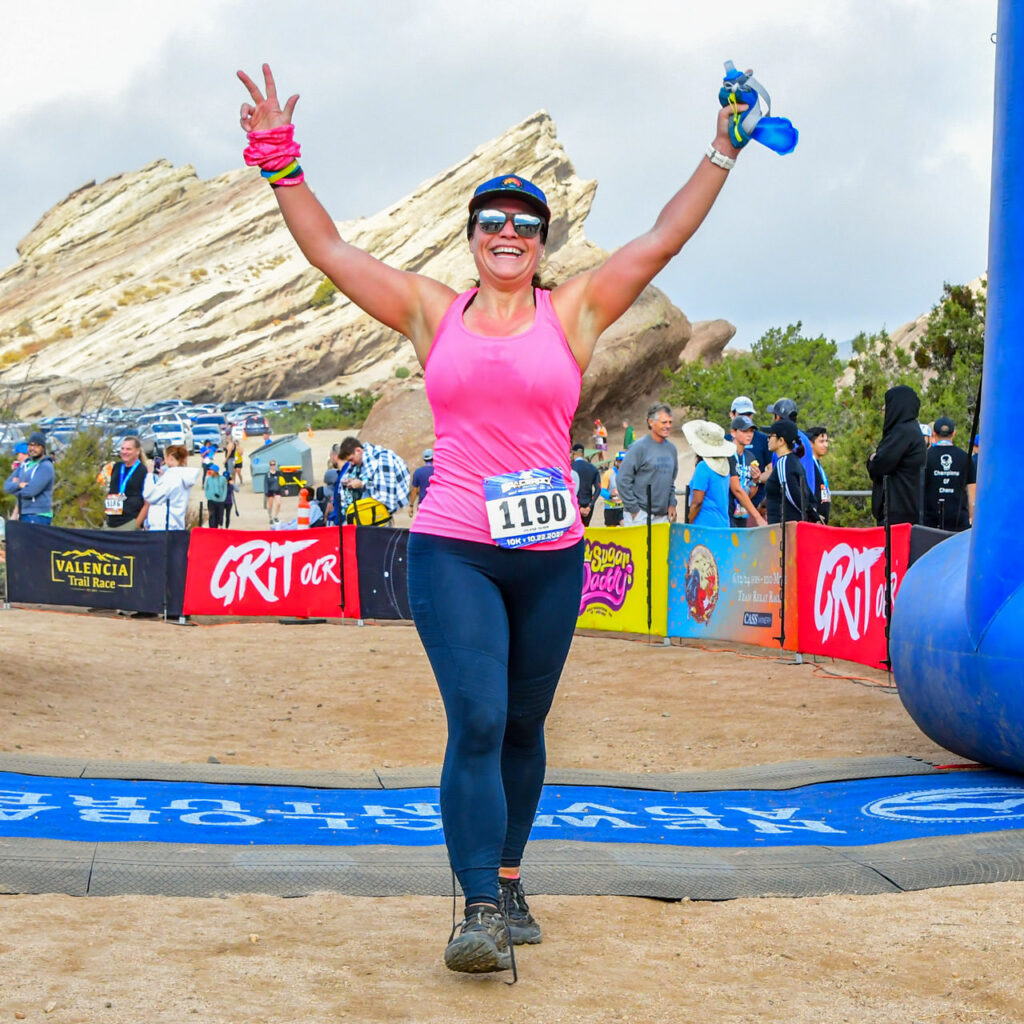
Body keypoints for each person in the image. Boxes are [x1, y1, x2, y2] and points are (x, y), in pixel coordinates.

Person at [238, 59, 747, 975]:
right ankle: (475, 907)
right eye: (492, 223)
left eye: (525, 225)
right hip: (455, 548)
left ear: (542, 245)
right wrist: (281, 160)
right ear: (472, 240)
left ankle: (510, 878)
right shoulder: (435, 314)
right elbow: (331, 253)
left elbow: (665, 238)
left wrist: (720, 148)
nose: (508, 234)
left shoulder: (578, 312)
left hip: (549, 555)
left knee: (522, 726)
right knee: (475, 718)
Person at [867, 385, 927, 527]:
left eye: (887, 404)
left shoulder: (902, 432)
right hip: (904, 511)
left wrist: (872, 460)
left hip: (896, 515)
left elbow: (880, 465)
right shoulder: (910, 431)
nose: (883, 408)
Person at [616, 403, 678, 526]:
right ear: (651, 422)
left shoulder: (672, 449)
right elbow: (622, 479)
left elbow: (671, 482)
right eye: (664, 422)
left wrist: (672, 503)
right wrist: (634, 510)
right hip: (640, 515)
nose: (668, 426)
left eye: (670, 422)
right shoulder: (638, 448)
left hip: (662, 517)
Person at [337, 437, 410, 523]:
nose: (351, 464)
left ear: (358, 450)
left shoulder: (381, 461)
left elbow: (381, 491)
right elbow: (371, 482)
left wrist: (361, 484)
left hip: (380, 516)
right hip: (372, 514)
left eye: (351, 460)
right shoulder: (363, 465)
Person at [923, 416, 973, 531]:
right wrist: (972, 517)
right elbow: (972, 491)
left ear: (934, 434)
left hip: (930, 523)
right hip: (959, 522)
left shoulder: (925, 457)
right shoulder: (965, 457)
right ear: (954, 433)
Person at [682, 421, 735, 528]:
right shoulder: (724, 466)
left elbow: (697, 502)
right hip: (723, 524)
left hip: (704, 526)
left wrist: (687, 524)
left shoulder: (703, 467)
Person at [764, 420, 814, 524]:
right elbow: (809, 494)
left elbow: (791, 494)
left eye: (770, 436)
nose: (767, 439)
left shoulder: (783, 462)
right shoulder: (794, 461)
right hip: (792, 524)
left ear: (781, 441)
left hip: (784, 527)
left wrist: (809, 513)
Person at [142, 445, 199, 530]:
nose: (164, 461)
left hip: (163, 527)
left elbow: (150, 496)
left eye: (165, 457)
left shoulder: (171, 477)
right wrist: (162, 477)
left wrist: (149, 475)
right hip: (177, 525)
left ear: (170, 458)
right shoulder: (182, 476)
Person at [4, 432, 55, 525]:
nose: (32, 448)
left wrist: (15, 487)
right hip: (24, 513)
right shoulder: (25, 465)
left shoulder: (45, 466)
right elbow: (7, 486)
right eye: (30, 445)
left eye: (36, 446)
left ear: (43, 448)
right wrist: (20, 485)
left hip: (38, 515)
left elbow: (30, 491)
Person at [727, 416, 766, 527]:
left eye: (751, 431)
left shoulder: (750, 457)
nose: (749, 434)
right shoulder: (727, 454)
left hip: (741, 514)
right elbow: (736, 489)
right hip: (726, 512)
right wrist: (758, 517)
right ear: (733, 433)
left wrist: (755, 480)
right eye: (744, 431)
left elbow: (749, 494)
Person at [105, 437, 148, 530]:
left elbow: (147, 502)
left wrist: (136, 525)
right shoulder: (117, 467)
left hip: (128, 523)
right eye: (122, 448)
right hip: (111, 521)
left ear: (137, 451)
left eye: (128, 449)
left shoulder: (142, 471)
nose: (124, 452)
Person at [805, 426, 832, 525]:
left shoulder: (818, 464)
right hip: (814, 520)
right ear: (811, 443)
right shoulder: (809, 465)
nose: (825, 445)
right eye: (821, 441)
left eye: (826, 441)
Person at [571, 443, 600, 527]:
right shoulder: (593, 468)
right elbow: (598, 489)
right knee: (586, 529)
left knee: (575, 530)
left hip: (575, 504)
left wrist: (578, 507)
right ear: (583, 454)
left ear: (573, 454)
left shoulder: (570, 468)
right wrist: (590, 506)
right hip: (588, 504)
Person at [600, 450, 627, 526]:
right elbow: (602, 490)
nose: (622, 463)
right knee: (611, 534)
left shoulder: (630, 473)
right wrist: (609, 495)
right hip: (610, 509)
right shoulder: (609, 473)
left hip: (624, 509)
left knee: (626, 530)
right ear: (616, 462)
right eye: (620, 461)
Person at [409, 448, 435, 518]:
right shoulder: (438, 471)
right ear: (433, 458)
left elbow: (414, 490)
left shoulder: (418, 472)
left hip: (422, 504)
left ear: (424, 459)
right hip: (436, 505)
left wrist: (411, 506)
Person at [264, 458, 282, 524]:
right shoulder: (267, 474)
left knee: (278, 503)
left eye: (273, 464)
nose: (272, 466)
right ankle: (270, 517)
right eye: (271, 465)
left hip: (277, 490)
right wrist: (266, 491)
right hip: (270, 491)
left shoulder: (278, 473)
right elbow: (266, 483)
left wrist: (285, 488)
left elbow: (283, 481)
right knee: (270, 505)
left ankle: (276, 516)